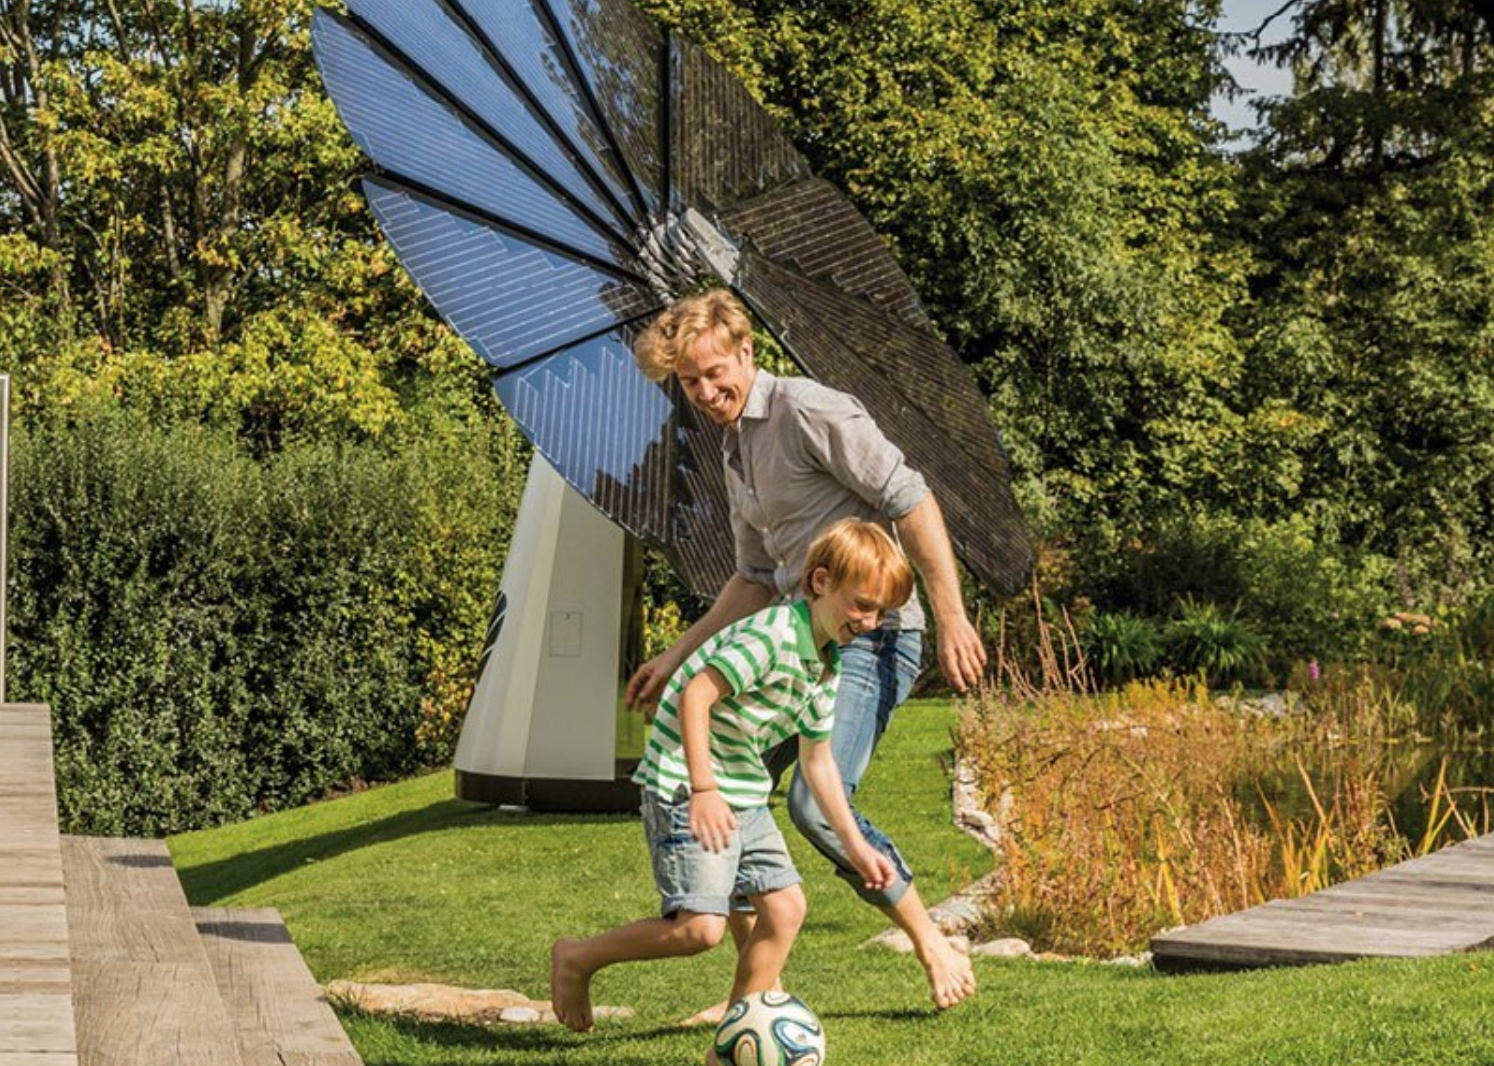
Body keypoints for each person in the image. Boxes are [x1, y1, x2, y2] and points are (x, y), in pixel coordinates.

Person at [625, 289, 982, 1014]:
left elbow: (911, 498)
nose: (706, 391)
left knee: (816, 807)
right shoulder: (733, 449)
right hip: (796, 641)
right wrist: (677, 654)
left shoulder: (811, 411)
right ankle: (756, 993)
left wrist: (951, 616)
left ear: (747, 350)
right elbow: (757, 576)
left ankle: (930, 940)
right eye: (690, 383)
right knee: (727, 781)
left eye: (715, 372)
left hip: (871, 634)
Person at [550, 520, 905, 1048]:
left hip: (741, 788)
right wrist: (704, 790)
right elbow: (697, 693)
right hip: (687, 785)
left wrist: (856, 849)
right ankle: (577, 958)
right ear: (821, 582)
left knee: (785, 910)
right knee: (700, 929)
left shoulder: (826, 664)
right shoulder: (775, 635)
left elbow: (820, 763)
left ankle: (732, 1049)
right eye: (862, 605)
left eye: (880, 612)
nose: (870, 622)